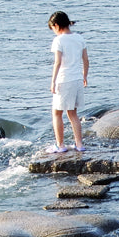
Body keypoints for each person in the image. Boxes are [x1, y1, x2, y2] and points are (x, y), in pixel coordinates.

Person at [47, 11, 89, 153]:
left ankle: (60, 145)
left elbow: (57, 62)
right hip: (77, 79)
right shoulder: (79, 38)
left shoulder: (59, 40)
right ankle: (79, 144)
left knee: (57, 113)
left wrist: (52, 81)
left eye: (53, 28)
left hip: (64, 79)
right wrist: (84, 76)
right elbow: (86, 60)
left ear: (56, 25)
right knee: (73, 113)